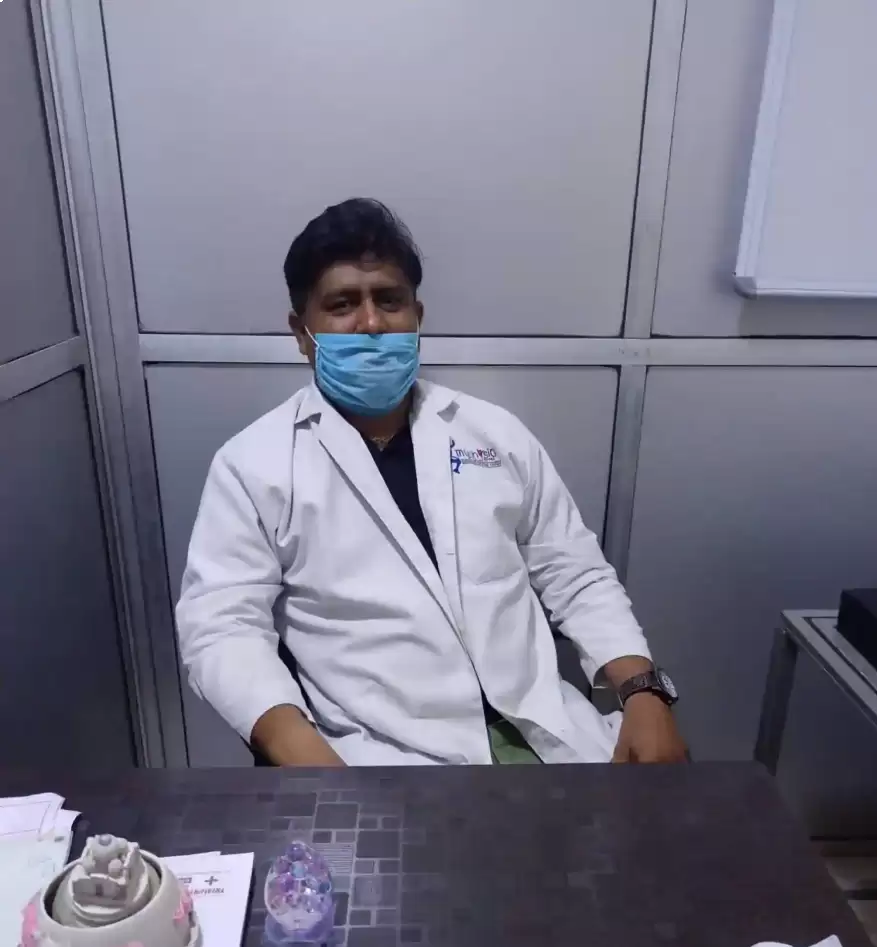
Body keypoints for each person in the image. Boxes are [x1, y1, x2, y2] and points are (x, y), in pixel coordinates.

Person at [176, 198, 687, 768]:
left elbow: (575, 573)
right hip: (384, 756)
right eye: (342, 305)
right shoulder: (255, 464)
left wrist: (644, 693)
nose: (372, 324)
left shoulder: (493, 433)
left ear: (417, 316)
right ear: (302, 332)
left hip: (551, 732)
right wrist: (309, 762)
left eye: (388, 300)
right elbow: (222, 630)